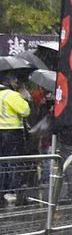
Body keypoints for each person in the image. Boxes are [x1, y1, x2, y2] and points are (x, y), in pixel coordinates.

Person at [0, 73, 29, 208]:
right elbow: (25, 111)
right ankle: (11, 190)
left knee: (2, 162)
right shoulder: (12, 95)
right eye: (15, 81)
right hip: (12, 132)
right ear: (10, 82)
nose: (16, 84)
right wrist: (24, 98)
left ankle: (2, 189)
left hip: (1, 132)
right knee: (13, 163)